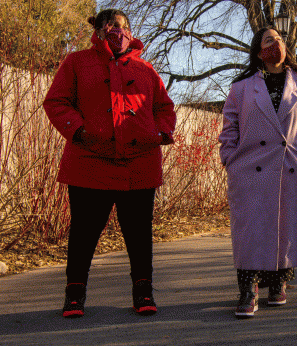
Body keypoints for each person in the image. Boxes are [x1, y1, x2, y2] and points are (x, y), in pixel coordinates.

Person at [43, 9, 176, 318]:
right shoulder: (77, 62)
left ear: (130, 31)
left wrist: (160, 132)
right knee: (84, 233)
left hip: (139, 161)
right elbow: (56, 101)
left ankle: (143, 292)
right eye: (110, 25)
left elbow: (164, 107)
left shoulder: (145, 69)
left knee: (139, 233)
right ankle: (74, 295)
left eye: (122, 25)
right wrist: (79, 131)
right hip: (90, 160)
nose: (117, 30)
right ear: (99, 30)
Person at [219, 27, 297, 318]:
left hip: (296, 164)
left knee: (287, 224)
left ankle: (278, 282)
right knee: (250, 230)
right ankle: (247, 289)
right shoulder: (241, 87)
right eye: (269, 40)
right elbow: (229, 126)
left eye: (279, 39)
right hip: (251, 167)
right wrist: (230, 158)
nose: (276, 44)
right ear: (258, 51)